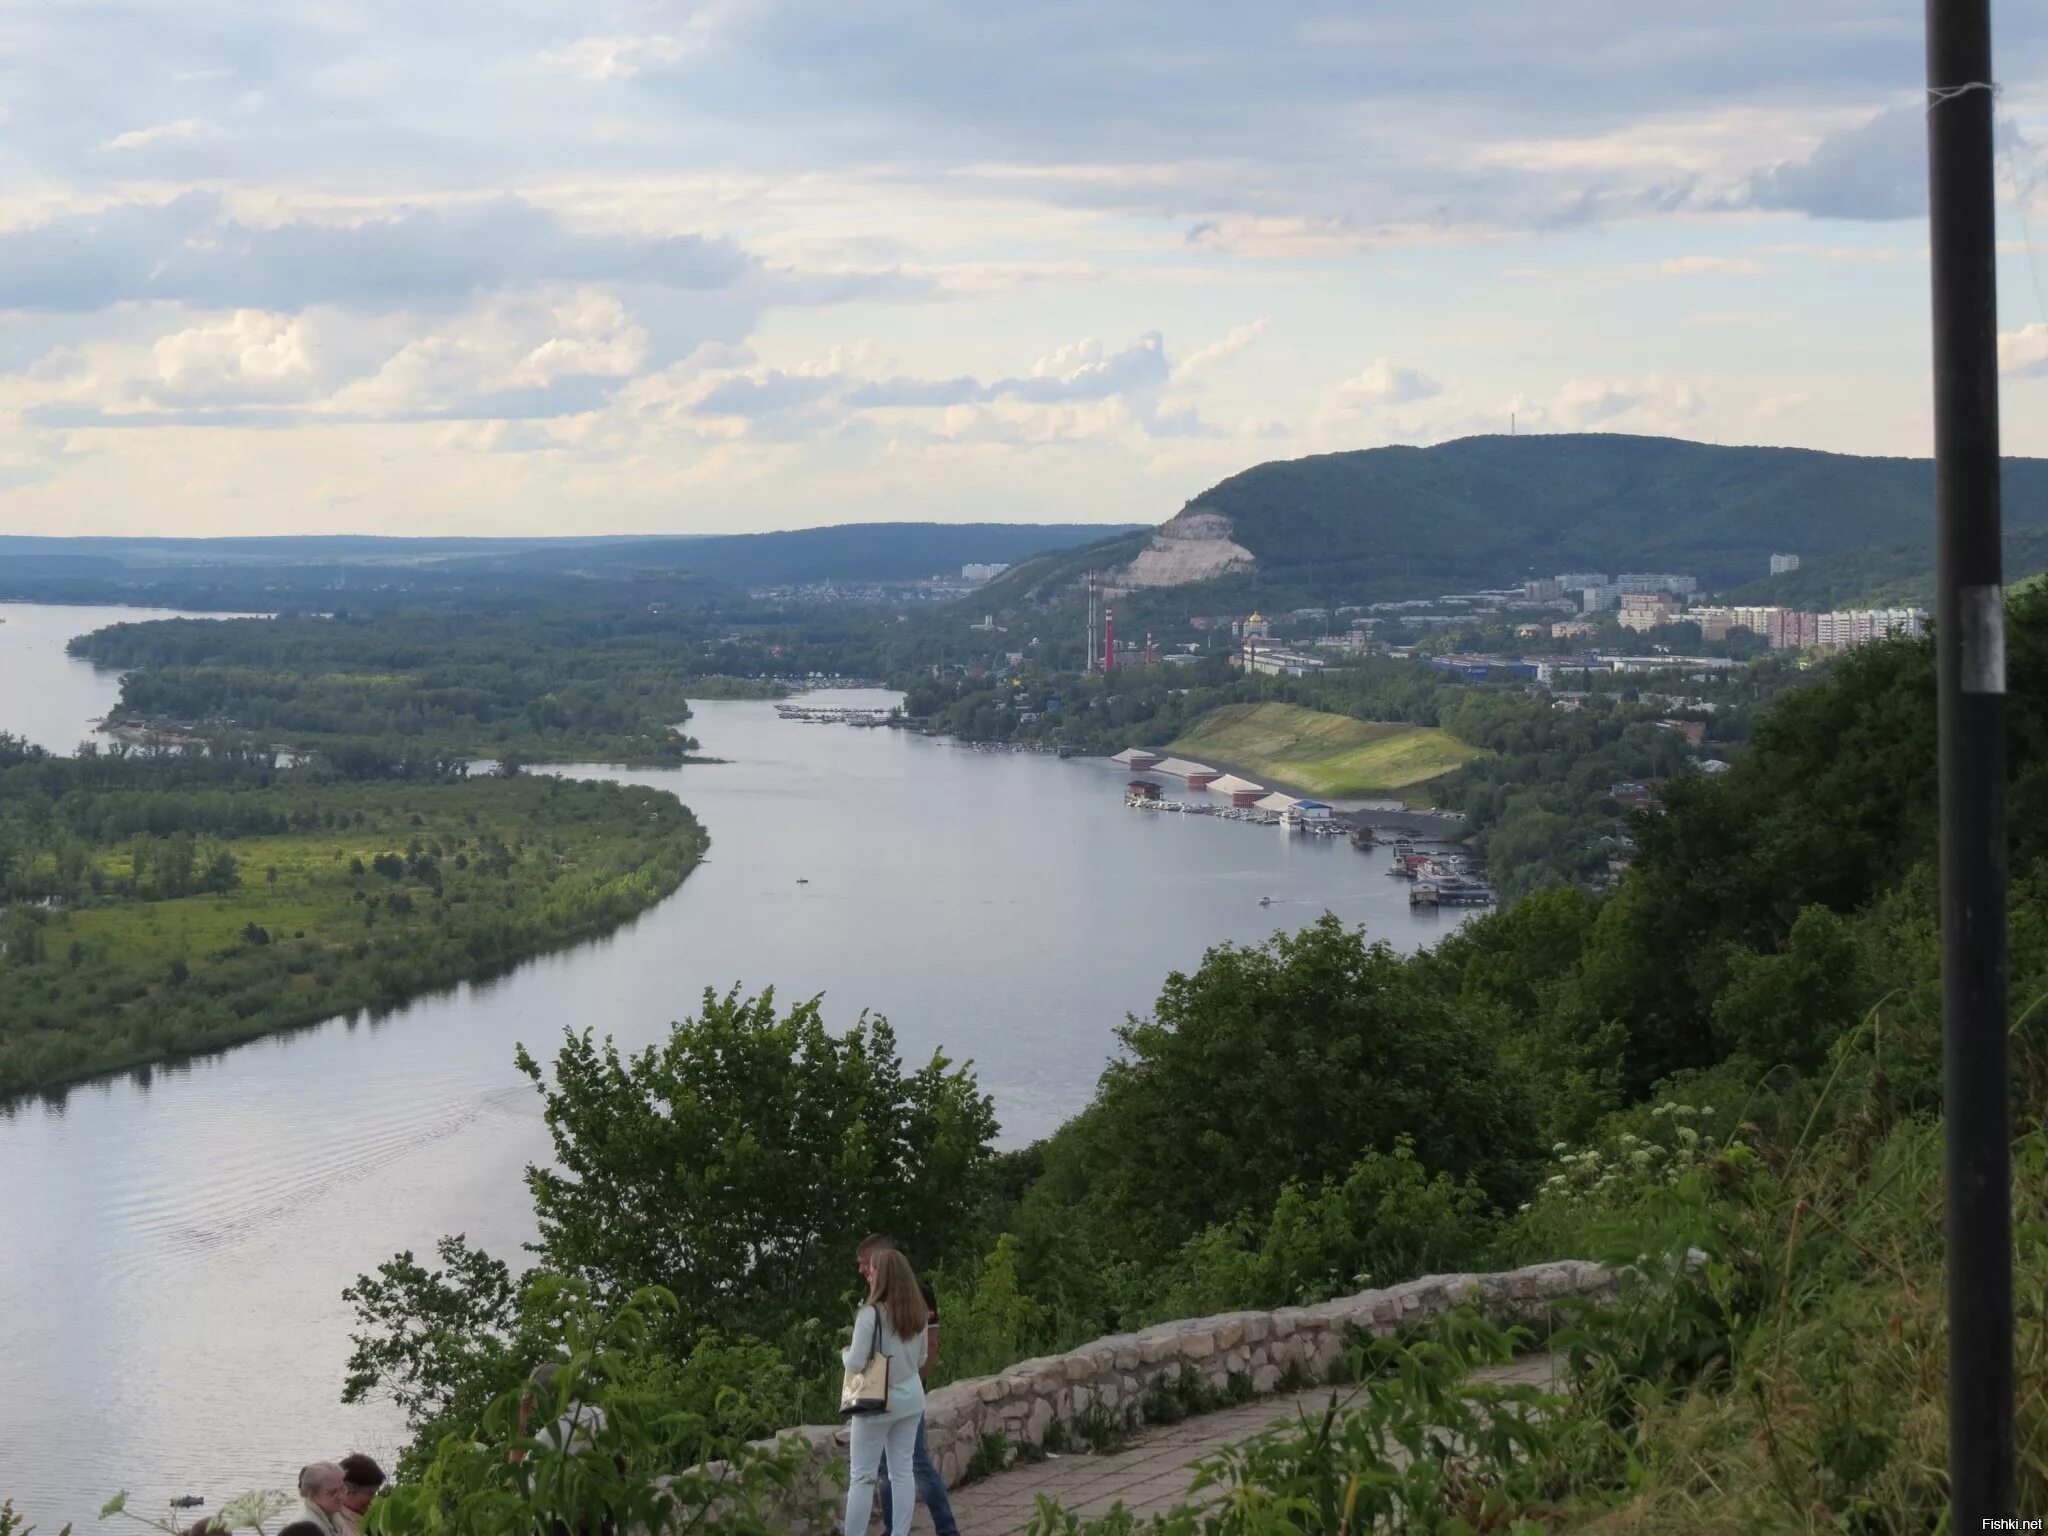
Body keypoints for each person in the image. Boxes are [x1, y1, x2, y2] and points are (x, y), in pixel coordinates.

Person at [859, 1235, 960, 1536]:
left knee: (914, 1463)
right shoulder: (878, 1299)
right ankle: (898, 1529)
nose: (862, 1271)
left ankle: (945, 1528)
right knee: (889, 1468)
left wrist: (916, 1380)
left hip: (900, 1392)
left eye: (866, 1264)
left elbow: (930, 1343)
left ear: (882, 1260)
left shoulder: (919, 1294)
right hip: (888, 1393)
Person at [841, 1247, 927, 1536]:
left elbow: (855, 1363)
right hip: (911, 1400)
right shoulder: (917, 1312)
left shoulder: (870, 1315)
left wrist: (843, 1354)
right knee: (902, 1470)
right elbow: (921, 1359)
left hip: (875, 1403)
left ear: (884, 1276)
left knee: (862, 1478)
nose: (869, 1274)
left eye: (873, 1270)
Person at [334, 1453, 385, 1536]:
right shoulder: (336, 1527)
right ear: (346, 1489)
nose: (372, 1499)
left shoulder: (367, 1516)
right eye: (370, 1493)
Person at [294, 1464, 348, 1536]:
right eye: (332, 1492)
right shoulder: (306, 1527)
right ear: (312, 1495)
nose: (341, 1496)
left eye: (342, 1489)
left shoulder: (333, 1516)